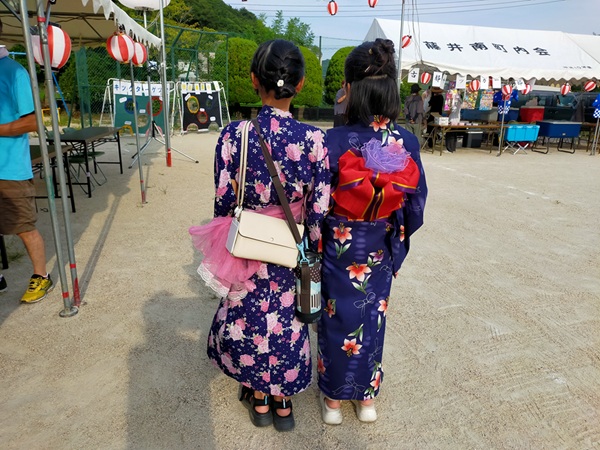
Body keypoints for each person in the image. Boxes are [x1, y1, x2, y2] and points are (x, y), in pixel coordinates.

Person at [189, 39, 330, 432]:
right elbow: (319, 208)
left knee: (248, 315)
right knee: (289, 319)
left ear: (254, 80)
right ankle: (283, 403)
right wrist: (309, 247)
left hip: (248, 244)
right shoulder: (313, 139)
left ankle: (259, 397)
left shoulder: (235, 135)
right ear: (300, 84)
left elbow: (223, 200)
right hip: (290, 245)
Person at [318, 38, 428, 425]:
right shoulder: (405, 140)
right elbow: (415, 203)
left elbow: (316, 202)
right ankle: (366, 400)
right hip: (379, 246)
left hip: (338, 247)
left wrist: (320, 235)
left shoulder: (331, 141)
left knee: (335, 317)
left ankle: (333, 401)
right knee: (372, 320)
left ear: (348, 89)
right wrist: (396, 241)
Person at [0, 17, 53, 303]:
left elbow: (33, 121)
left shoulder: (14, 72)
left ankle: (41, 276)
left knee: (23, 227)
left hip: (9, 169)